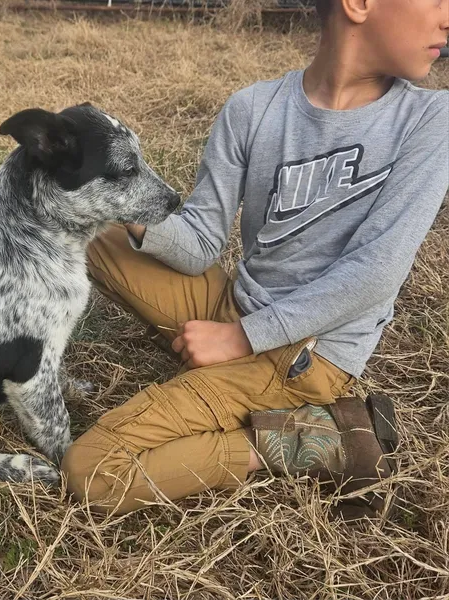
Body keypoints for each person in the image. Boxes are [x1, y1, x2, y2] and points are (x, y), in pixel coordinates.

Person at [61, 0, 449, 520]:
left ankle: (326, 440)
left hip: (305, 357)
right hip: (234, 304)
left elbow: (374, 275)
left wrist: (239, 340)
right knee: (85, 227)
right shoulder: (253, 108)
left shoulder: (430, 120)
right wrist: (118, 199)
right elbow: (199, 240)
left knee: (93, 470)